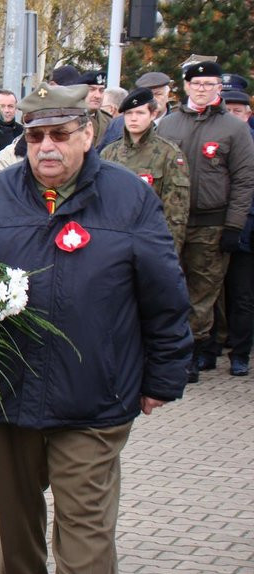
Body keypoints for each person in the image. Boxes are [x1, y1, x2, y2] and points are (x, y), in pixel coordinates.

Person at [0, 81, 193, 574]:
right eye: (35, 137)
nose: (47, 147)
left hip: (94, 397)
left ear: (88, 134)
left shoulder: (129, 198)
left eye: (60, 134)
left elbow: (164, 293)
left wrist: (164, 375)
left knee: (86, 535)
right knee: (17, 533)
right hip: (5, 395)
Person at [158, 61, 254, 382]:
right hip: (171, 222)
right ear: (186, 86)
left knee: (202, 293)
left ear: (218, 88)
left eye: (210, 84)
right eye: (197, 84)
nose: (203, 89)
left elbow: (244, 180)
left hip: (212, 222)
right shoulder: (168, 124)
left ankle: (193, 353)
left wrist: (234, 225)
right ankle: (172, 351)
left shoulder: (234, 129)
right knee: (171, 287)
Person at [199, 75, 254, 377]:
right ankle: (207, 350)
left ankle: (240, 353)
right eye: (228, 109)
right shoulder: (210, 136)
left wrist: (239, 224)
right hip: (213, 226)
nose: (233, 115)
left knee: (241, 296)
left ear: (248, 113)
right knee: (209, 293)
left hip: (245, 229)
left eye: (238, 111)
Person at [101, 87, 190, 253]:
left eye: (140, 113)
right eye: (129, 113)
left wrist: (170, 253)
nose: (133, 118)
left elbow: (176, 212)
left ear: (153, 115)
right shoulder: (109, 152)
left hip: (150, 239)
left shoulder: (169, 153)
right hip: (115, 240)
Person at [97, 71, 172, 152]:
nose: (153, 99)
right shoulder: (118, 124)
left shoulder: (176, 124)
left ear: (167, 96)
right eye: (146, 95)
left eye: (158, 94)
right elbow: (103, 155)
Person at [76, 70, 112, 147]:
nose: (98, 96)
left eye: (101, 90)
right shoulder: (70, 119)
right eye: (92, 90)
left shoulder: (109, 121)